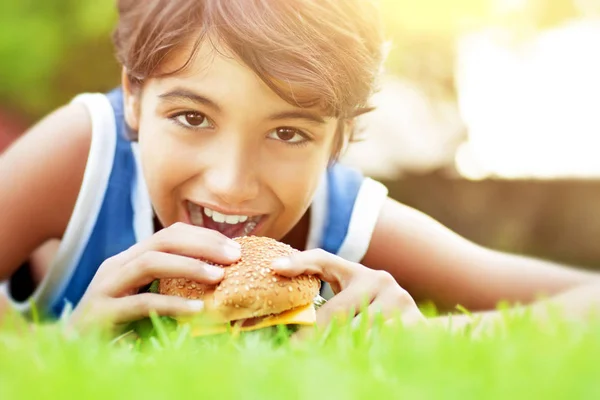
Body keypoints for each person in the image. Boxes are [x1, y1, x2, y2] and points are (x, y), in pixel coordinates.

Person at [0, 0, 598, 335]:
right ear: (133, 95)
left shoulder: (345, 228)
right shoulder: (86, 153)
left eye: (287, 132)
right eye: (192, 117)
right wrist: (57, 343)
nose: (230, 183)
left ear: (341, 136)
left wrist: (438, 335)